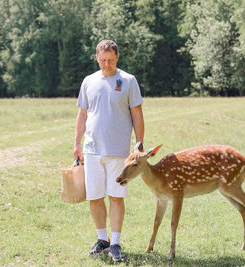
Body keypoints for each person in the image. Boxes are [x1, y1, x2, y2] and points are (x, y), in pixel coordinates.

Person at [74, 39, 144, 262]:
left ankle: (115, 243)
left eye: (110, 60)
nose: (106, 64)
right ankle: (102, 239)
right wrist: (77, 143)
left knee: (116, 197)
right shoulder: (88, 81)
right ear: (96, 58)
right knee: (95, 197)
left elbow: (137, 113)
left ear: (117, 58)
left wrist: (139, 142)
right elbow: (83, 114)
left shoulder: (128, 81)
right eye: (103, 60)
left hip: (118, 151)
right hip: (92, 150)